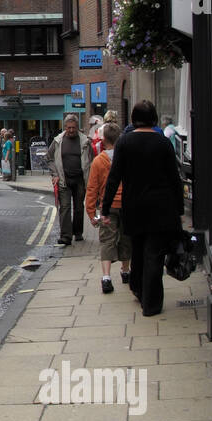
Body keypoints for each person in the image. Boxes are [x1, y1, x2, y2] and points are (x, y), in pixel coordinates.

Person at [101, 98, 184, 317]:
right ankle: (151, 304)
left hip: (134, 208)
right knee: (154, 255)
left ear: (133, 119)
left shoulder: (124, 143)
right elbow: (175, 179)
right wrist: (180, 208)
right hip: (161, 208)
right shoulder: (163, 143)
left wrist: (105, 207)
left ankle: (138, 288)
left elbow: (114, 177)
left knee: (137, 250)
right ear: (154, 119)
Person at [85, 121, 131, 293]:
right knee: (126, 239)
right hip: (126, 205)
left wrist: (91, 212)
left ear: (103, 141)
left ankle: (106, 277)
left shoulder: (98, 161)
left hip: (107, 207)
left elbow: (92, 188)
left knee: (106, 241)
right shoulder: (127, 159)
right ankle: (125, 272)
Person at [48, 112, 93, 245]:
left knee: (79, 207)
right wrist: (54, 174)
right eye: (69, 128)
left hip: (80, 180)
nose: (71, 130)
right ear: (65, 127)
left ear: (77, 127)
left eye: (73, 128)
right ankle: (66, 236)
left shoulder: (85, 141)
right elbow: (49, 158)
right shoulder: (57, 141)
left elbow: (91, 160)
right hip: (64, 179)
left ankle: (78, 232)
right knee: (65, 207)